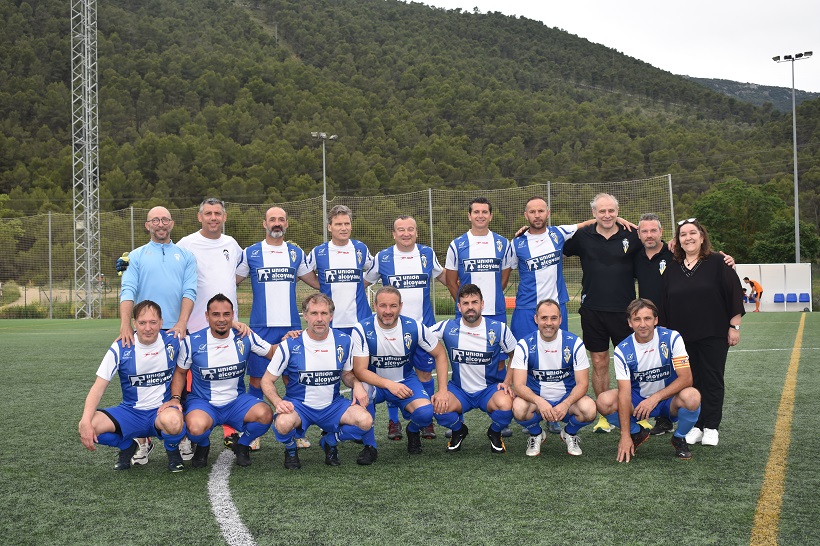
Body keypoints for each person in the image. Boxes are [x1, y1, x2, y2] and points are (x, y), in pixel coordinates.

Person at [118, 205, 198, 464]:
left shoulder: (185, 255)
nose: (160, 224)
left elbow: (189, 291)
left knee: (180, 383)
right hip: (145, 332)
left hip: (175, 331)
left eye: (164, 219)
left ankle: (181, 435)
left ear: (172, 224)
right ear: (147, 225)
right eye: (155, 220)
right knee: (140, 384)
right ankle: (144, 440)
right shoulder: (135, 256)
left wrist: (182, 323)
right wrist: (124, 325)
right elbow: (128, 290)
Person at [235, 206, 319, 448]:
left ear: (287, 224)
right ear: (264, 223)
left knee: (291, 378)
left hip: (291, 325)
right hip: (260, 327)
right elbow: (232, 281)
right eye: (272, 219)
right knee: (256, 380)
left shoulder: (295, 253)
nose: (277, 223)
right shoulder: (250, 253)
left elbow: (314, 281)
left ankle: (296, 429)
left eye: (281, 219)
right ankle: (254, 432)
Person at [262, 293, 373, 469]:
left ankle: (330, 441)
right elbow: (267, 380)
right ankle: (291, 449)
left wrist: (357, 384)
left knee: (365, 421)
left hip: (332, 405)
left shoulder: (344, 341)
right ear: (305, 316)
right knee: (282, 424)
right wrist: (278, 402)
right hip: (299, 405)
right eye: (314, 313)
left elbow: (346, 374)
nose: (319, 319)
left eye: (324, 313)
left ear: (331, 315)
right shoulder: (290, 344)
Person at [661, 218, 744, 447]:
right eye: (683, 235)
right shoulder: (672, 268)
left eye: (692, 233)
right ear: (677, 240)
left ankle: (711, 427)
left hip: (713, 333)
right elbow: (665, 302)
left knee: (712, 380)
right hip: (682, 338)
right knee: (690, 382)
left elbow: (734, 293)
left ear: (702, 236)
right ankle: (695, 426)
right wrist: (667, 337)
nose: (688, 238)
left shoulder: (718, 262)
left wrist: (734, 326)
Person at [562, 193, 641, 433]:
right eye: (602, 211)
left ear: (618, 212)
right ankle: (605, 414)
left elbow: (663, 244)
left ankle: (638, 412)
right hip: (593, 310)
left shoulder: (632, 234)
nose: (607, 215)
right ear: (593, 213)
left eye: (612, 211)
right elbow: (553, 240)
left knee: (632, 364)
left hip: (625, 312)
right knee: (599, 361)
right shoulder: (582, 236)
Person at [78, 300, 188, 472]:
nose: (148, 328)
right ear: (134, 323)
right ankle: (126, 445)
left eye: (153, 322)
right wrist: (85, 419)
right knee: (91, 425)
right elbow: (98, 387)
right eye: (142, 323)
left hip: (160, 411)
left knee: (174, 422)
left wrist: (233, 324)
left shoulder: (173, 341)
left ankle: (173, 452)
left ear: (161, 323)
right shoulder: (121, 346)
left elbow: (207, 337)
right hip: (130, 412)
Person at [364, 215, 446, 440]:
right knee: (390, 371)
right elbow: (363, 283)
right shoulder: (383, 257)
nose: (406, 233)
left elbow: (446, 277)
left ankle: (425, 421)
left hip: (422, 328)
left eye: (410, 229)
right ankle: (393, 421)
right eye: (401, 230)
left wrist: (462, 295)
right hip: (389, 328)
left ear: (417, 232)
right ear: (393, 234)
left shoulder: (427, 254)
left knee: (423, 373)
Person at [171, 294, 276, 468]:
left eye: (226, 314)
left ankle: (242, 445)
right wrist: (175, 398)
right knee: (195, 428)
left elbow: (272, 352)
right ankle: (203, 446)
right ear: (207, 316)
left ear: (233, 315)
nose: (221, 319)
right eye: (216, 314)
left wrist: (295, 339)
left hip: (236, 401)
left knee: (265, 414)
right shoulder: (192, 342)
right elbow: (180, 372)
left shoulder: (245, 336)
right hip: (203, 402)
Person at [176, 197, 246, 451]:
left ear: (224, 217)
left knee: (231, 377)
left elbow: (235, 275)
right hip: (196, 327)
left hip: (228, 326)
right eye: (208, 213)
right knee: (195, 385)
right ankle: (194, 436)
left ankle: (231, 431)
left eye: (217, 213)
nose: (213, 217)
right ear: (200, 217)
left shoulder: (232, 244)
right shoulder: (186, 244)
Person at [596, 299, 702, 462]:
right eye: (637, 319)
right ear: (630, 323)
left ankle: (679, 438)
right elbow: (624, 394)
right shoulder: (622, 350)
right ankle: (636, 433)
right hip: (638, 402)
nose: (642, 324)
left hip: (668, 400)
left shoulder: (672, 338)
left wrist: (655, 398)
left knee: (692, 396)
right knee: (604, 401)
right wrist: (625, 435)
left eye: (647, 318)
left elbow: (686, 378)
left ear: (656, 320)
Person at [351, 286, 451, 456]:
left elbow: (440, 354)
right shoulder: (362, 329)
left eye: (393, 306)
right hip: (375, 382)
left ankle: (412, 430)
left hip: (405, 380)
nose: (388, 311)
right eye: (383, 306)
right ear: (375, 306)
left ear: (400, 306)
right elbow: (360, 371)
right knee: (362, 396)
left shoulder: (414, 327)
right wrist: (389, 385)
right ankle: (370, 447)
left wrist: (442, 390)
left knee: (426, 414)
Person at [429, 284, 517, 454]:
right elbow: (420, 335)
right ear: (459, 306)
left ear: (482, 304)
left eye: (474, 302)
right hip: (459, 390)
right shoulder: (447, 327)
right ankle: (458, 430)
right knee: (438, 408)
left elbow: (516, 355)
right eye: (466, 303)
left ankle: (495, 432)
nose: (470, 307)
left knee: (507, 405)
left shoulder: (498, 329)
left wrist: (507, 382)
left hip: (489, 390)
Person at [511, 299, 596, 456]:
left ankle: (569, 433)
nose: (548, 323)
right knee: (518, 407)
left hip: (566, 400)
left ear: (560, 319)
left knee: (589, 409)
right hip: (536, 401)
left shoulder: (575, 343)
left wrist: (565, 404)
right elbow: (519, 385)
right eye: (544, 318)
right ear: (536, 319)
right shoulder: (524, 345)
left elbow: (583, 384)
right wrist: (540, 402)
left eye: (553, 318)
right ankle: (536, 434)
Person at [306, 205, 374, 334]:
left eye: (347, 223)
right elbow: (303, 273)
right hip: (330, 322)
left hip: (360, 321)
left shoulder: (360, 248)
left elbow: (375, 270)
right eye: (338, 224)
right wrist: (322, 285)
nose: (344, 228)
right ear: (329, 227)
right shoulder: (319, 252)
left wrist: (361, 284)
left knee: (361, 355)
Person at [445, 197, 513, 324]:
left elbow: (503, 280)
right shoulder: (456, 245)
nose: (480, 216)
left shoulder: (503, 243)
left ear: (490, 216)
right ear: (469, 216)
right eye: (476, 212)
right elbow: (451, 282)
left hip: (496, 312)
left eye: (484, 212)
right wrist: (465, 304)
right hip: (467, 314)